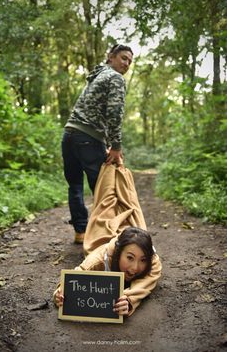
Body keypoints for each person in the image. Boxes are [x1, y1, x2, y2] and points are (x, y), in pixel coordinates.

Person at [53, 164, 162, 317]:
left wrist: (130, 299)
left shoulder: (152, 260)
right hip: (102, 235)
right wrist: (60, 293)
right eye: (130, 258)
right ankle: (111, 166)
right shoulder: (97, 259)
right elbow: (74, 277)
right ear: (118, 253)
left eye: (143, 260)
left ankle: (119, 166)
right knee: (106, 201)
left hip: (133, 231)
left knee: (129, 201)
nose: (135, 268)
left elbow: (148, 280)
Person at [62, 44, 133, 244]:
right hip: (88, 139)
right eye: (123, 58)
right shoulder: (115, 78)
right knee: (103, 188)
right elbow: (114, 113)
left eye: (129, 61)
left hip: (69, 135)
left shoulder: (97, 76)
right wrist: (116, 146)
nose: (126, 64)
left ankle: (81, 232)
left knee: (75, 185)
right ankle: (102, 236)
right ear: (111, 57)